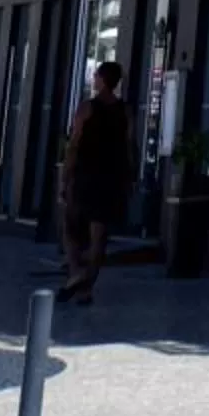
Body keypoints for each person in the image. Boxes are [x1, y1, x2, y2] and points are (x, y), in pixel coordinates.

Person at [59, 59, 133, 305]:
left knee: (71, 227)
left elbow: (74, 143)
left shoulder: (87, 108)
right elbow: (130, 145)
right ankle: (87, 286)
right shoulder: (124, 110)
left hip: (86, 174)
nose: (94, 80)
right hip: (112, 176)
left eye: (96, 76)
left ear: (102, 79)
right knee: (98, 234)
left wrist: (65, 175)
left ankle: (76, 274)